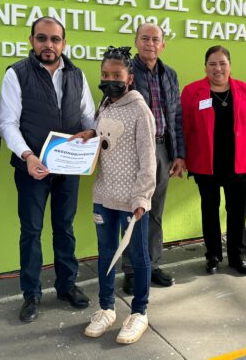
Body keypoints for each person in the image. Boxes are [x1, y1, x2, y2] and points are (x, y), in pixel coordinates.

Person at [0, 17, 96, 323]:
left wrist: (91, 135)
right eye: (42, 38)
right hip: (32, 169)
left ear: (63, 44)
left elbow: (88, 116)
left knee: (64, 228)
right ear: (31, 40)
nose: (48, 45)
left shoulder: (77, 75)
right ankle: (32, 294)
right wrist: (27, 155)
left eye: (55, 39)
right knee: (31, 231)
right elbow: (7, 123)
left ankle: (66, 286)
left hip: (68, 168)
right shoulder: (16, 74)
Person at [71, 46, 156, 344]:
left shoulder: (140, 110)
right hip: (103, 195)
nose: (109, 79)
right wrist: (90, 133)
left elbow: (149, 160)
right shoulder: (105, 104)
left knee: (137, 255)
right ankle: (106, 308)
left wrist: (142, 198)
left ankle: (139, 312)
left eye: (116, 75)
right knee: (106, 252)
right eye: (105, 75)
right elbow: (106, 136)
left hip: (132, 200)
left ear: (129, 78)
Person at [181, 45, 246, 275]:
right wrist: (181, 156)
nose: (217, 68)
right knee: (209, 211)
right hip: (205, 163)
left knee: (237, 212)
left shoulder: (243, 90)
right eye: (212, 64)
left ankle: (237, 257)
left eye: (222, 63)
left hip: (238, 162)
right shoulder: (192, 91)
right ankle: (212, 256)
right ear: (205, 67)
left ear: (230, 65)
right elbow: (184, 128)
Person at [123, 23, 185, 293]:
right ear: (136, 42)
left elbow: (177, 117)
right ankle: (130, 269)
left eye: (155, 39)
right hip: (135, 151)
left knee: (156, 210)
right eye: (144, 38)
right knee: (133, 211)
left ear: (163, 45)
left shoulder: (170, 74)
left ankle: (152, 263)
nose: (150, 43)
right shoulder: (125, 72)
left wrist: (179, 154)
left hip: (162, 149)